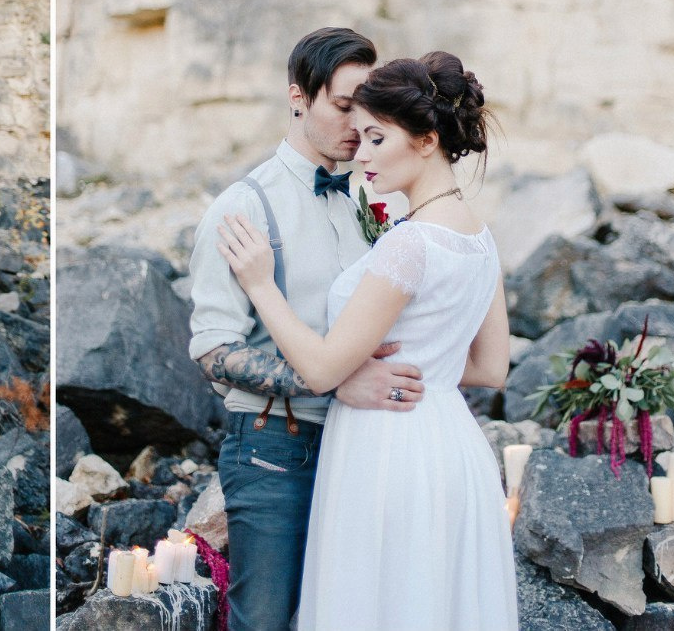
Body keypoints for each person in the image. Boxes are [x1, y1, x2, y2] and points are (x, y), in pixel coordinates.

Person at [217, 51, 518, 631]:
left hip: (389, 453)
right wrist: (420, 369)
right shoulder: (480, 238)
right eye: (360, 137)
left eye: (377, 138)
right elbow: (491, 368)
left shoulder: (411, 244)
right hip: (452, 446)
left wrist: (261, 285)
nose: (362, 154)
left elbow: (325, 370)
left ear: (427, 140)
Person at [188, 27, 427, 631]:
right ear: (299, 97)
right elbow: (213, 349)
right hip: (273, 449)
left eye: (367, 110)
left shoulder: (368, 202)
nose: (357, 125)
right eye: (344, 106)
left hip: (362, 444)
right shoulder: (242, 208)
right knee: (264, 620)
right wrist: (328, 380)